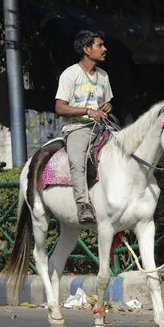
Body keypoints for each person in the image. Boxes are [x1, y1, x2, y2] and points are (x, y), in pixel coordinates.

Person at [54, 30, 114, 223]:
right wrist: (88, 112)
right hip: (77, 129)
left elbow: (107, 102)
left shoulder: (103, 76)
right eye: (100, 45)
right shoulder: (70, 74)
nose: (104, 49)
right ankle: (83, 205)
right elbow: (59, 108)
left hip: (103, 127)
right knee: (77, 160)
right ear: (87, 50)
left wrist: (108, 105)